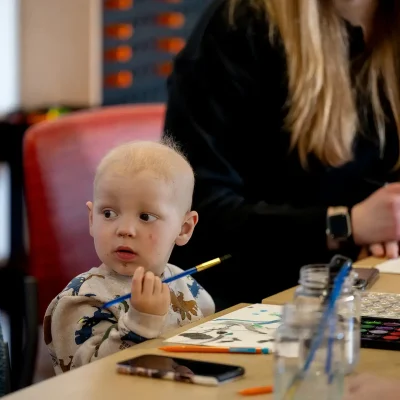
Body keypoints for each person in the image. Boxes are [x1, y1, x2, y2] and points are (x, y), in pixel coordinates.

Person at [164, 0, 400, 310]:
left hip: (355, 287)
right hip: (245, 303)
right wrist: (345, 225)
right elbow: (197, 213)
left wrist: (388, 223)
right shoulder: (240, 25)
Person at [43, 140, 215, 374]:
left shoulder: (187, 285)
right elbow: (87, 378)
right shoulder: (79, 300)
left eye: (145, 216)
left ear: (184, 229)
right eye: (109, 213)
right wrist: (140, 322)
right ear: (92, 219)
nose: (125, 229)